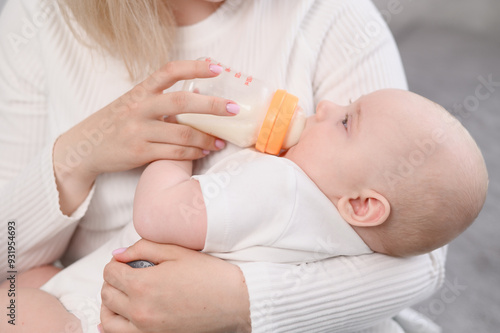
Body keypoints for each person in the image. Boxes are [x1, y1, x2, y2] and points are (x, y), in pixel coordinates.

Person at [0, 0, 454, 332]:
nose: (328, 107)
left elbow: (422, 253)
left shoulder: (329, 16)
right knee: (21, 291)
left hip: (117, 300)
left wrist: (238, 300)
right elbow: (10, 255)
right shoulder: (37, 19)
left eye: (345, 118)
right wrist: (76, 156)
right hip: (107, 287)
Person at [133, 89, 488, 261]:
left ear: (362, 205)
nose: (326, 105)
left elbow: (155, 214)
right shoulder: (357, 249)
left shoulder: (282, 188)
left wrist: (176, 143)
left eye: (346, 121)